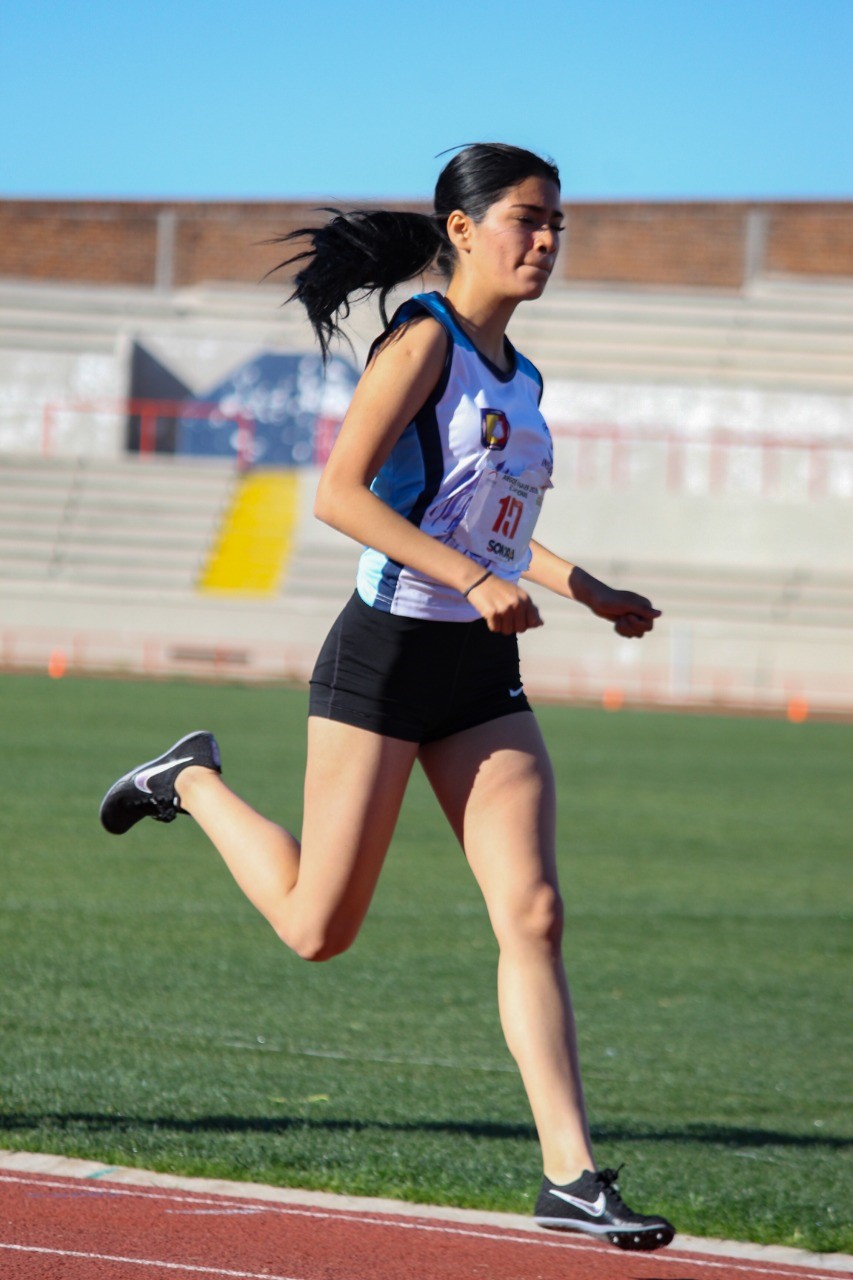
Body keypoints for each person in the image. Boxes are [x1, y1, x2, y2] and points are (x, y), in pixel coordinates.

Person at [100, 143, 674, 1252]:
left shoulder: (524, 376)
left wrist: (582, 584)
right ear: (461, 230)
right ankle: (191, 779)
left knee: (535, 912)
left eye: (558, 223)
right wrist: (471, 577)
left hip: (476, 670)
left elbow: (487, 522)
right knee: (319, 928)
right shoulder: (426, 340)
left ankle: (571, 1175)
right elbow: (338, 493)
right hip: (384, 653)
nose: (547, 241)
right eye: (526, 219)